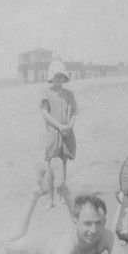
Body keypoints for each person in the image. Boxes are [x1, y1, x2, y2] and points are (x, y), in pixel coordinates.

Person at [3, 168, 128, 254]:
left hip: (61, 236)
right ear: (75, 222)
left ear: (104, 221)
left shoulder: (107, 235)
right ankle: (34, 195)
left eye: (98, 223)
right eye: (87, 223)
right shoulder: (67, 243)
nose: (94, 229)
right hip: (42, 243)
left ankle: (64, 192)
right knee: (10, 244)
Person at [40, 61, 78, 208]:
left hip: (67, 134)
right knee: (51, 167)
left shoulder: (69, 94)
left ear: (64, 78)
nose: (58, 80)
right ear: (51, 77)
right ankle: (50, 199)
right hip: (53, 135)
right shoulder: (46, 93)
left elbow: (74, 112)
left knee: (63, 165)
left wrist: (69, 126)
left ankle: (60, 196)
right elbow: (44, 114)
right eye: (55, 77)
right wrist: (60, 126)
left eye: (61, 77)